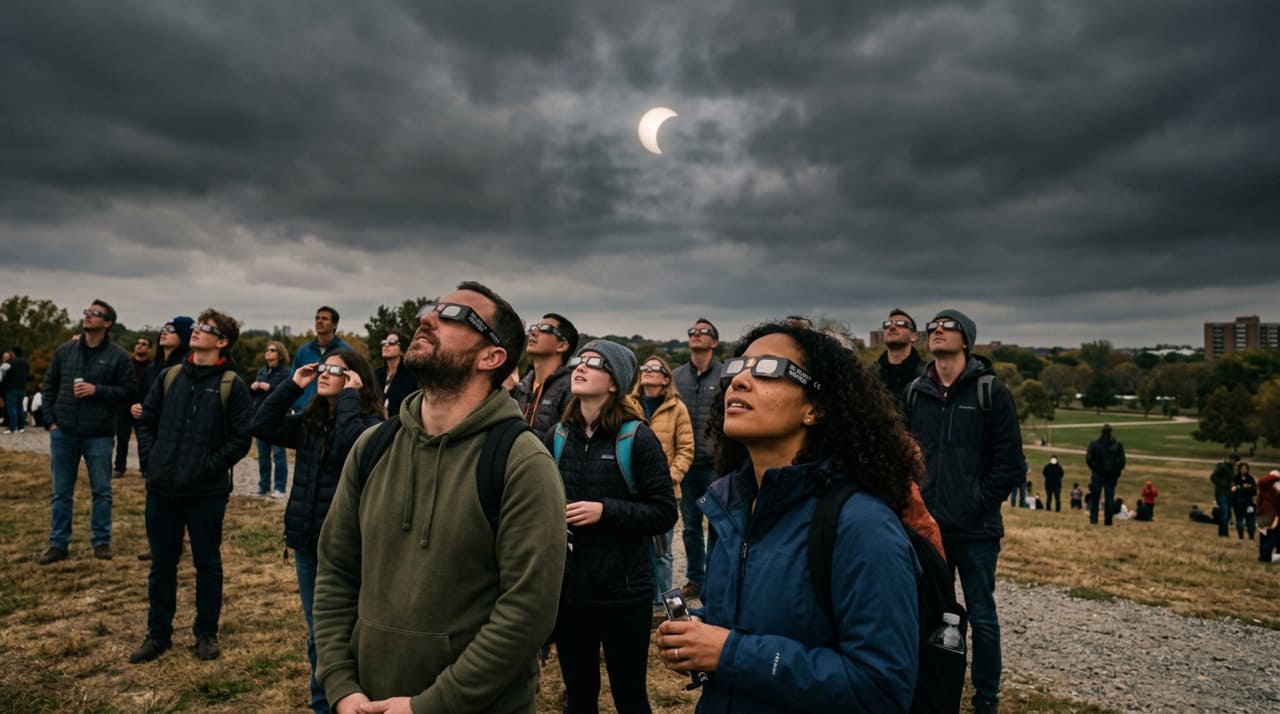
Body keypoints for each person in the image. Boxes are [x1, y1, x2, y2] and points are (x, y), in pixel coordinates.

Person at [313, 281, 567, 714]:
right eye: (432, 308)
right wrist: (340, 683)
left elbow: (527, 613)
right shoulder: (373, 446)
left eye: (454, 316)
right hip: (364, 702)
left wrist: (430, 705)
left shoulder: (522, 462)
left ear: (491, 357)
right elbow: (336, 571)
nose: (427, 318)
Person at [659, 322, 921, 712]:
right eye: (738, 367)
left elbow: (881, 689)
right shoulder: (730, 507)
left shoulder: (861, 524)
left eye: (768, 369)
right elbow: (751, 622)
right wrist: (700, 631)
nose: (739, 381)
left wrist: (729, 652)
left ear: (814, 408)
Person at [252, 348, 385, 714]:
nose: (324, 374)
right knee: (318, 632)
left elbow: (350, 447)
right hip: (308, 541)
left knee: (350, 631)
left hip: (349, 548)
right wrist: (293, 385)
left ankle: (358, 699)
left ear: (355, 380)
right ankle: (324, 705)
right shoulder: (311, 421)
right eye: (322, 368)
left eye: (335, 371)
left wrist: (350, 399)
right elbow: (261, 425)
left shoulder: (372, 424)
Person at [549, 340, 677, 714]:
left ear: (614, 383)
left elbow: (664, 512)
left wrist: (605, 510)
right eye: (579, 360)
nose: (580, 367)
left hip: (624, 592)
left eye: (594, 363)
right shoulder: (558, 435)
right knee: (578, 695)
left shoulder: (637, 437)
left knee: (630, 696)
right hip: (570, 592)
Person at [905, 309, 1023, 714]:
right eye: (933, 327)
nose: (937, 330)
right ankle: (928, 692)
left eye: (948, 326)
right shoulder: (915, 392)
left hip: (976, 531)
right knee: (926, 614)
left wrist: (976, 504)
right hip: (926, 529)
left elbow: (1010, 463)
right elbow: (904, 453)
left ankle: (985, 699)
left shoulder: (991, 392)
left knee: (982, 618)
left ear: (967, 340)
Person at [131, 308, 253, 664]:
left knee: (208, 564)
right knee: (161, 566)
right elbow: (147, 421)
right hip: (162, 489)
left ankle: (205, 633)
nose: (196, 331)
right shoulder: (169, 376)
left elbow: (241, 439)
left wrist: (206, 468)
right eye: (197, 326)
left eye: (206, 328)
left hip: (206, 493)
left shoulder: (232, 385)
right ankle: (158, 635)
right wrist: (151, 460)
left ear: (222, 342)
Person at [39, 300, 137, 565]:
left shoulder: (118, 356)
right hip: (64, 432)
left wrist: (97, 390)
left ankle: (101, 541)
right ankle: (58, 544)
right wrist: (50, 421)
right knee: (61, 492)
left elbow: (128, 391)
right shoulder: (66, 350)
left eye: (95, 313)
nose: (88, 316)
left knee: (102, 491)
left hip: (99, 434)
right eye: (87, 312)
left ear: (108, 323)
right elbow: (49, 384)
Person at [626, 354, 694, 614]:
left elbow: (686, 449)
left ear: (666, 379)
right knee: (636, 548)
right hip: (631, 491)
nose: (647, 370)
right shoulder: (628, 404)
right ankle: (641, 602)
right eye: (644, 367)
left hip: (665, 491)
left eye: (655, 368)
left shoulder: (677, 408)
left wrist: (668, 478)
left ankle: (664, 607)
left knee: (662, 552)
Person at [672, 317, 725, 600]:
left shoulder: (725, 375)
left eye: (703, 332)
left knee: (719, 524)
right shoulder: (676, 377)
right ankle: (696, 579)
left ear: (714, 342)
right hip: (687, 466)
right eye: (692, 331)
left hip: (716, 464)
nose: (696, 334)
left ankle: (719, 579)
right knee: (691, 527)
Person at [514, 312, 579, 438]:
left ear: (562, 346)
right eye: (535, 327)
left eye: (545, 328)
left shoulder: (571, 389)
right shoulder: (521, 387)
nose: (533, 332)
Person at [250, 341, 292, 497]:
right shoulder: (262, 370)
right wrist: (254, 386)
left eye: (272, 350)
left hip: (279, 418)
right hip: (261, 417)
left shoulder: (286, 372)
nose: (268, 352)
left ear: (280, 354)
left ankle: (280, 488)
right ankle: (264, 486)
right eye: (267, 349)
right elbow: (256, 394)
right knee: (263, 455)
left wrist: (268, 387)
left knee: (279, 454)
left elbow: (286, 392)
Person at [291, 306, 352, 413]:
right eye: (317, 318)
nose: (319, 321)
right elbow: (293, 381)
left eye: (324, 319)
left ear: (334, 324)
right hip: (302, 411)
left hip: (332, 412)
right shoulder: (303, 351)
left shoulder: (346, 351)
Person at [113, 337, 152, 477]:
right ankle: (119, 468)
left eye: (144, 344)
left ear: (149, 349)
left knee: (144, 440)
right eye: (138, 343)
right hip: (124, 407)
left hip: (143, 408)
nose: (140, 346)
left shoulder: (152, 367)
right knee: (122, 439)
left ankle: (145, 469)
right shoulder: (126, 364)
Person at [874, 308, 923, 410]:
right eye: (887, 324)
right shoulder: (871, 374)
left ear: (913, 336)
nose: (892, 327)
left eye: (901, 324)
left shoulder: (926, 375)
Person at [1085, 424, 1126, 526]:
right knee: (1109, 499)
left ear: (1102, 432)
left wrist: (1094, 468)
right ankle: (1108, 521)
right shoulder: (1117, 445)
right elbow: (1122, 461)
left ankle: (1094, 519)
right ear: (1111, 432)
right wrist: (1116, 472)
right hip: (1111, 476)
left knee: (1095, 498)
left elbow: (1089, 459)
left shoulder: (1094, 444)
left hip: (1097, 474)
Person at [374, 332, 417, 416]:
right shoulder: (377, 374)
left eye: (392, 342)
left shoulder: (411, 376)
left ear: (402, 350)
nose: (386, 345)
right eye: (384, 342)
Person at [1210, 454, 1239, 538]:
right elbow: (1213, 477)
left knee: (1227, 513)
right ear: (1230, 459)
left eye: (1236, 461)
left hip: (1229, 494)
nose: (1235, 462)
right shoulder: (1221, 466)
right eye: (1234, 460)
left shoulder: (1232, 470)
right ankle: (1223, 533)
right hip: (1221, 493)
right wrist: (1224, 485)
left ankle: (1223, 532)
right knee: (1224, 511)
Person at [3, 346, 30, 434]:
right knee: (20, 407)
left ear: (13, 352)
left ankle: (12, 427)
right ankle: (21, 427)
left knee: (12, 407)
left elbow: (4, 374)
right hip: (22, 388)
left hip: (11, 388)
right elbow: (28, 375)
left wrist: (3, 384)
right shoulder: (25, 363)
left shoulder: (9, 362)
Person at [1256, 470, 1280, 563]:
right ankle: (1265, 557)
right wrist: (1276, 476)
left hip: (1272, 514)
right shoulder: (1265, 487)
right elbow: (1262, 481)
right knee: (1267, 536)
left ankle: (1265, 556)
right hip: (1266, 513)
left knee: (1270, 536)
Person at [1232, 462, 1259, 540]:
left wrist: (1241, 488)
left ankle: (1251, 536)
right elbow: (1233, 489)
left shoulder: (1250, 478)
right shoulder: (1235, 478)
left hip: (1249, 503)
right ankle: (1241, 536)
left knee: (1251, 520)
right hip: (1238, 503)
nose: (1244, 470)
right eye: (1242, 468)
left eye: (1245, 469)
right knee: (1239, 520)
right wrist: (1244, 488)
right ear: (1239, 469)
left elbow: (1254, 490)